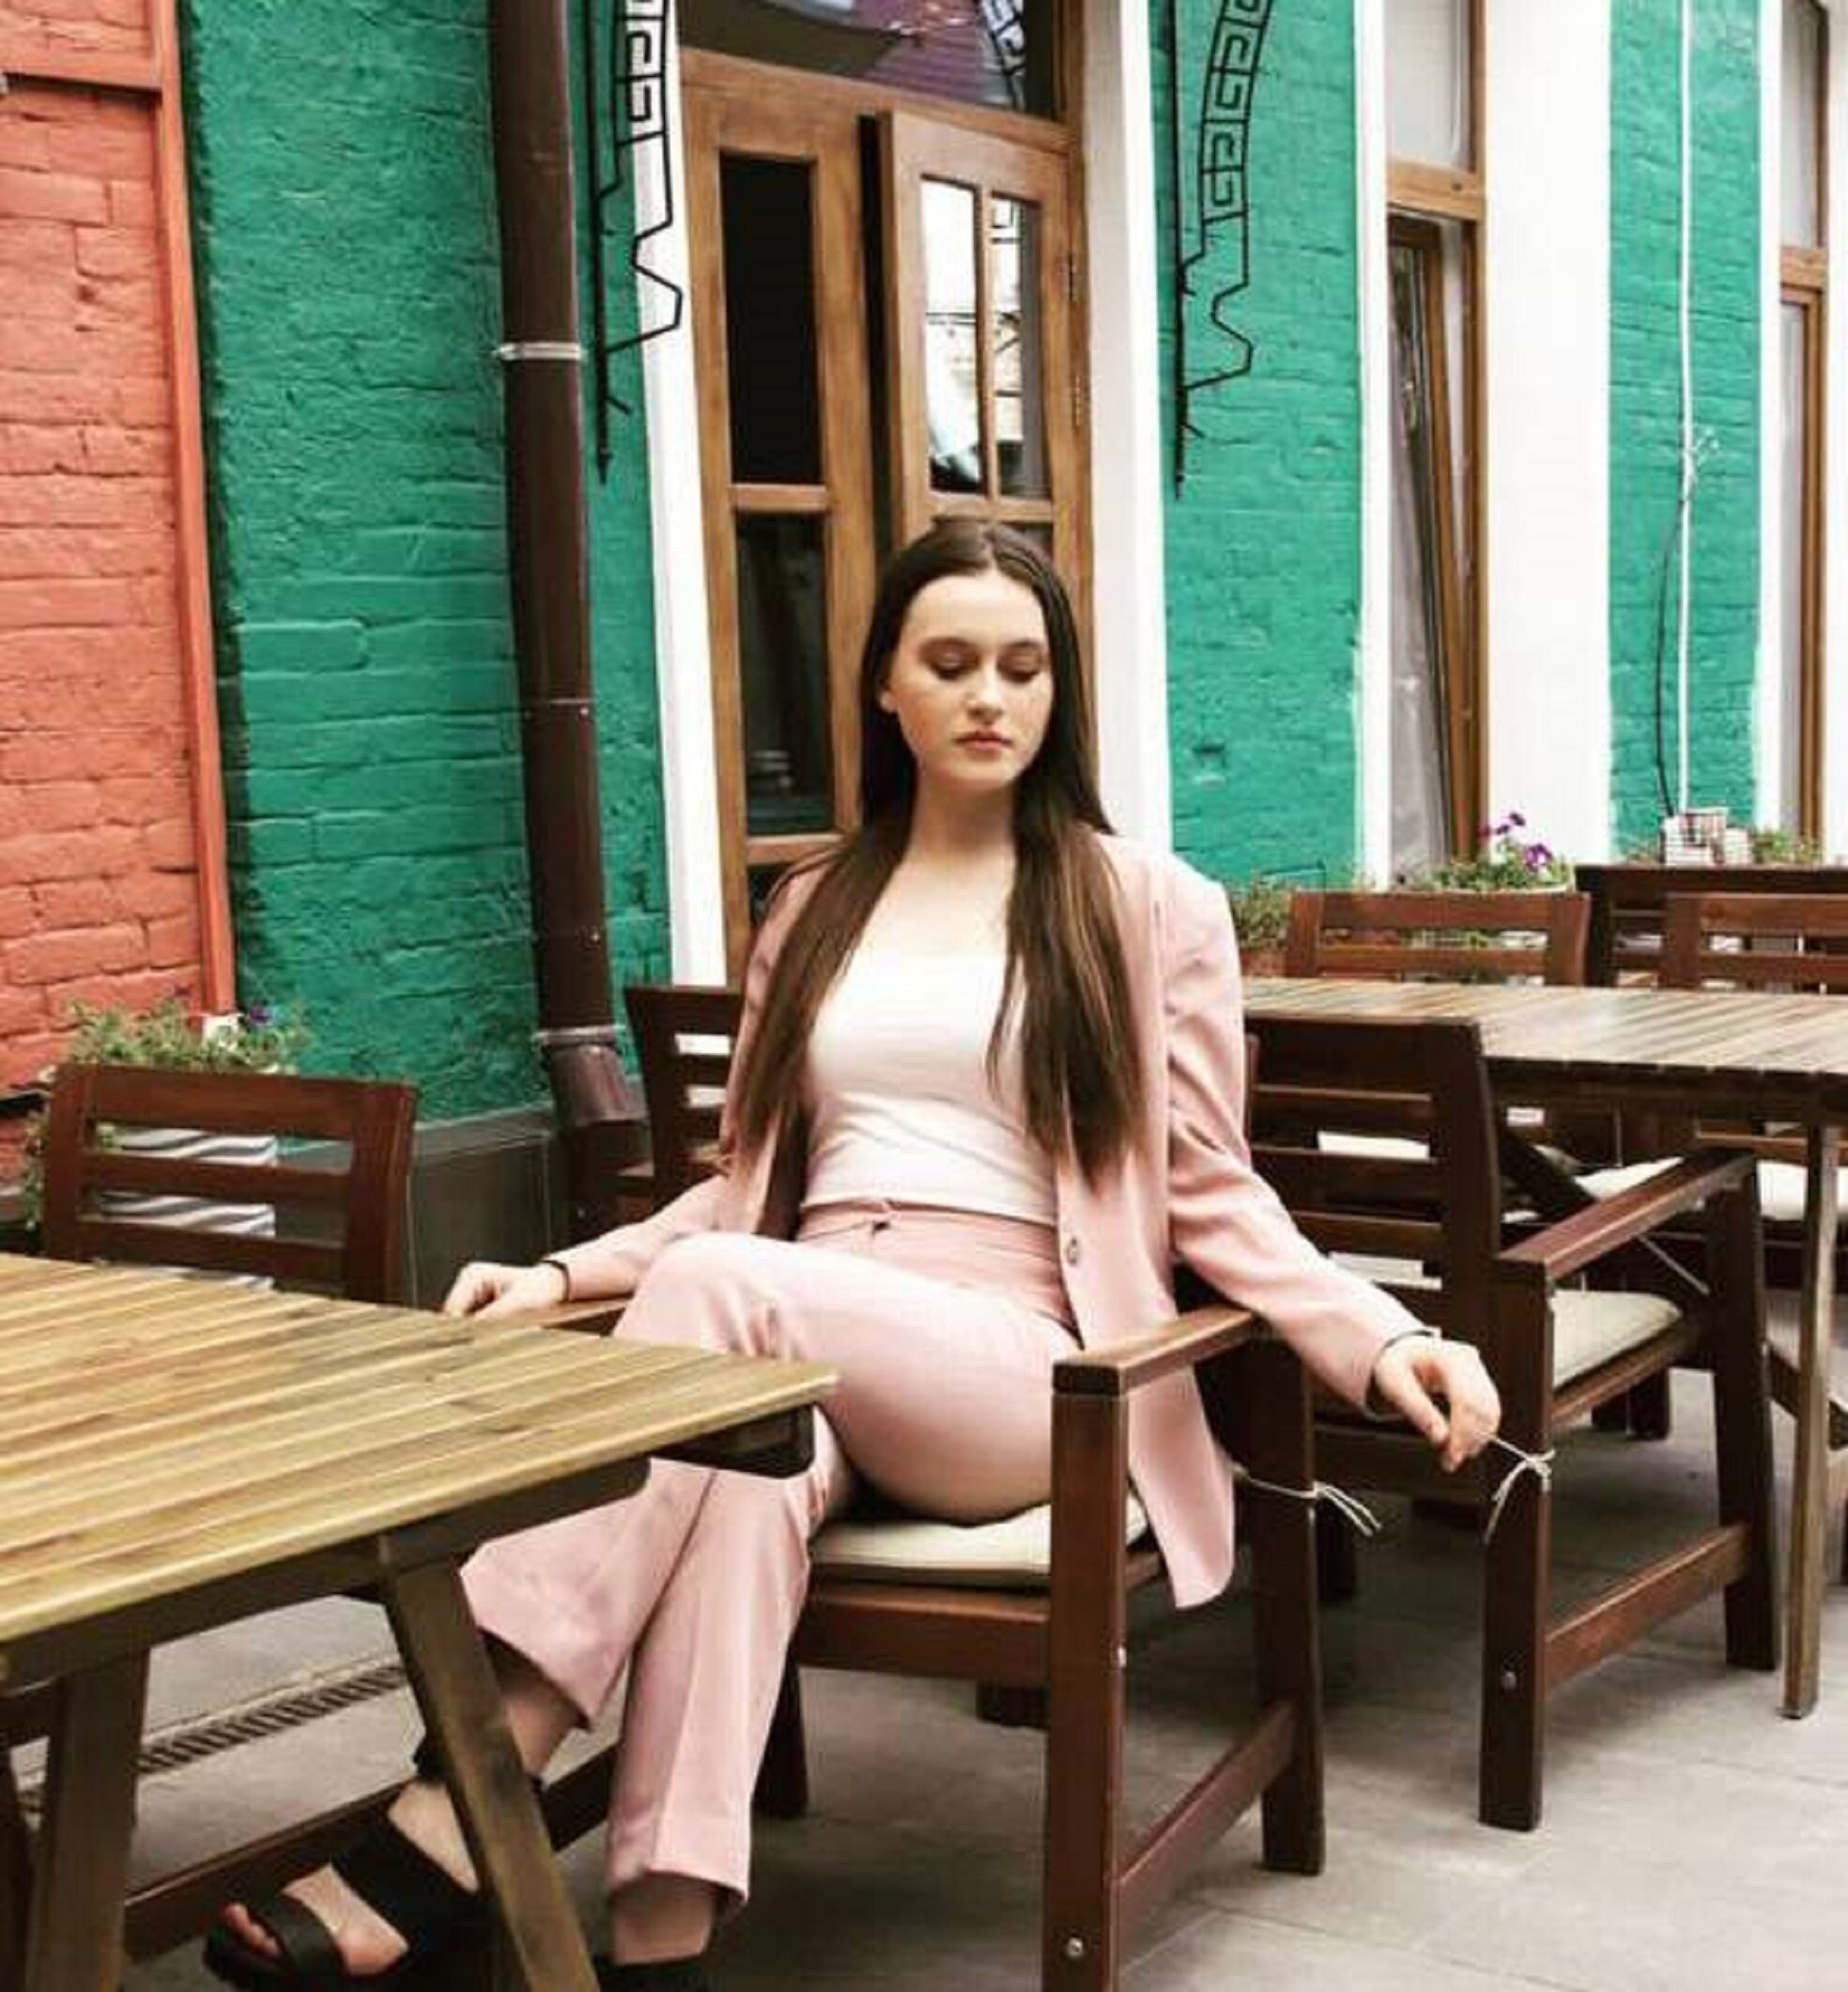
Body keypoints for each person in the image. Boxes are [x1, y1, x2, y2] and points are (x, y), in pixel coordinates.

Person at [208, 521, 1499, 1991]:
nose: (989, 696)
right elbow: (742, 1190)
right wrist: (565, 1276)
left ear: (1061, 687)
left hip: (1022, 1373)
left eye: (1022, 666)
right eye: (949, 662)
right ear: (885, 681)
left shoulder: (1148, 906)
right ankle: (661, 1943)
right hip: (796, 1329)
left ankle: (459, 1801)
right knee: (735, 1486)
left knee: (722, 1314)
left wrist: (1384, 1334)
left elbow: (1212, 1189)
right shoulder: (814, 905)